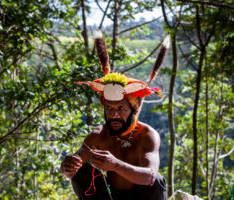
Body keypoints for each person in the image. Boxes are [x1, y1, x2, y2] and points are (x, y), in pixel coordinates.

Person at [60, 31, 169, 200]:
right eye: (109, 108)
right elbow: (75, 163)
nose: (114, 114)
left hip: (141, 196)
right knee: (81, 171)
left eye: (121, 108)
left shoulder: (147, 136)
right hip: (112, 197)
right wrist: (67, 167)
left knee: (157, 181)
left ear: (134, 109)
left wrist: (116, 165)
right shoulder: (99, 135)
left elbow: (150, 176)